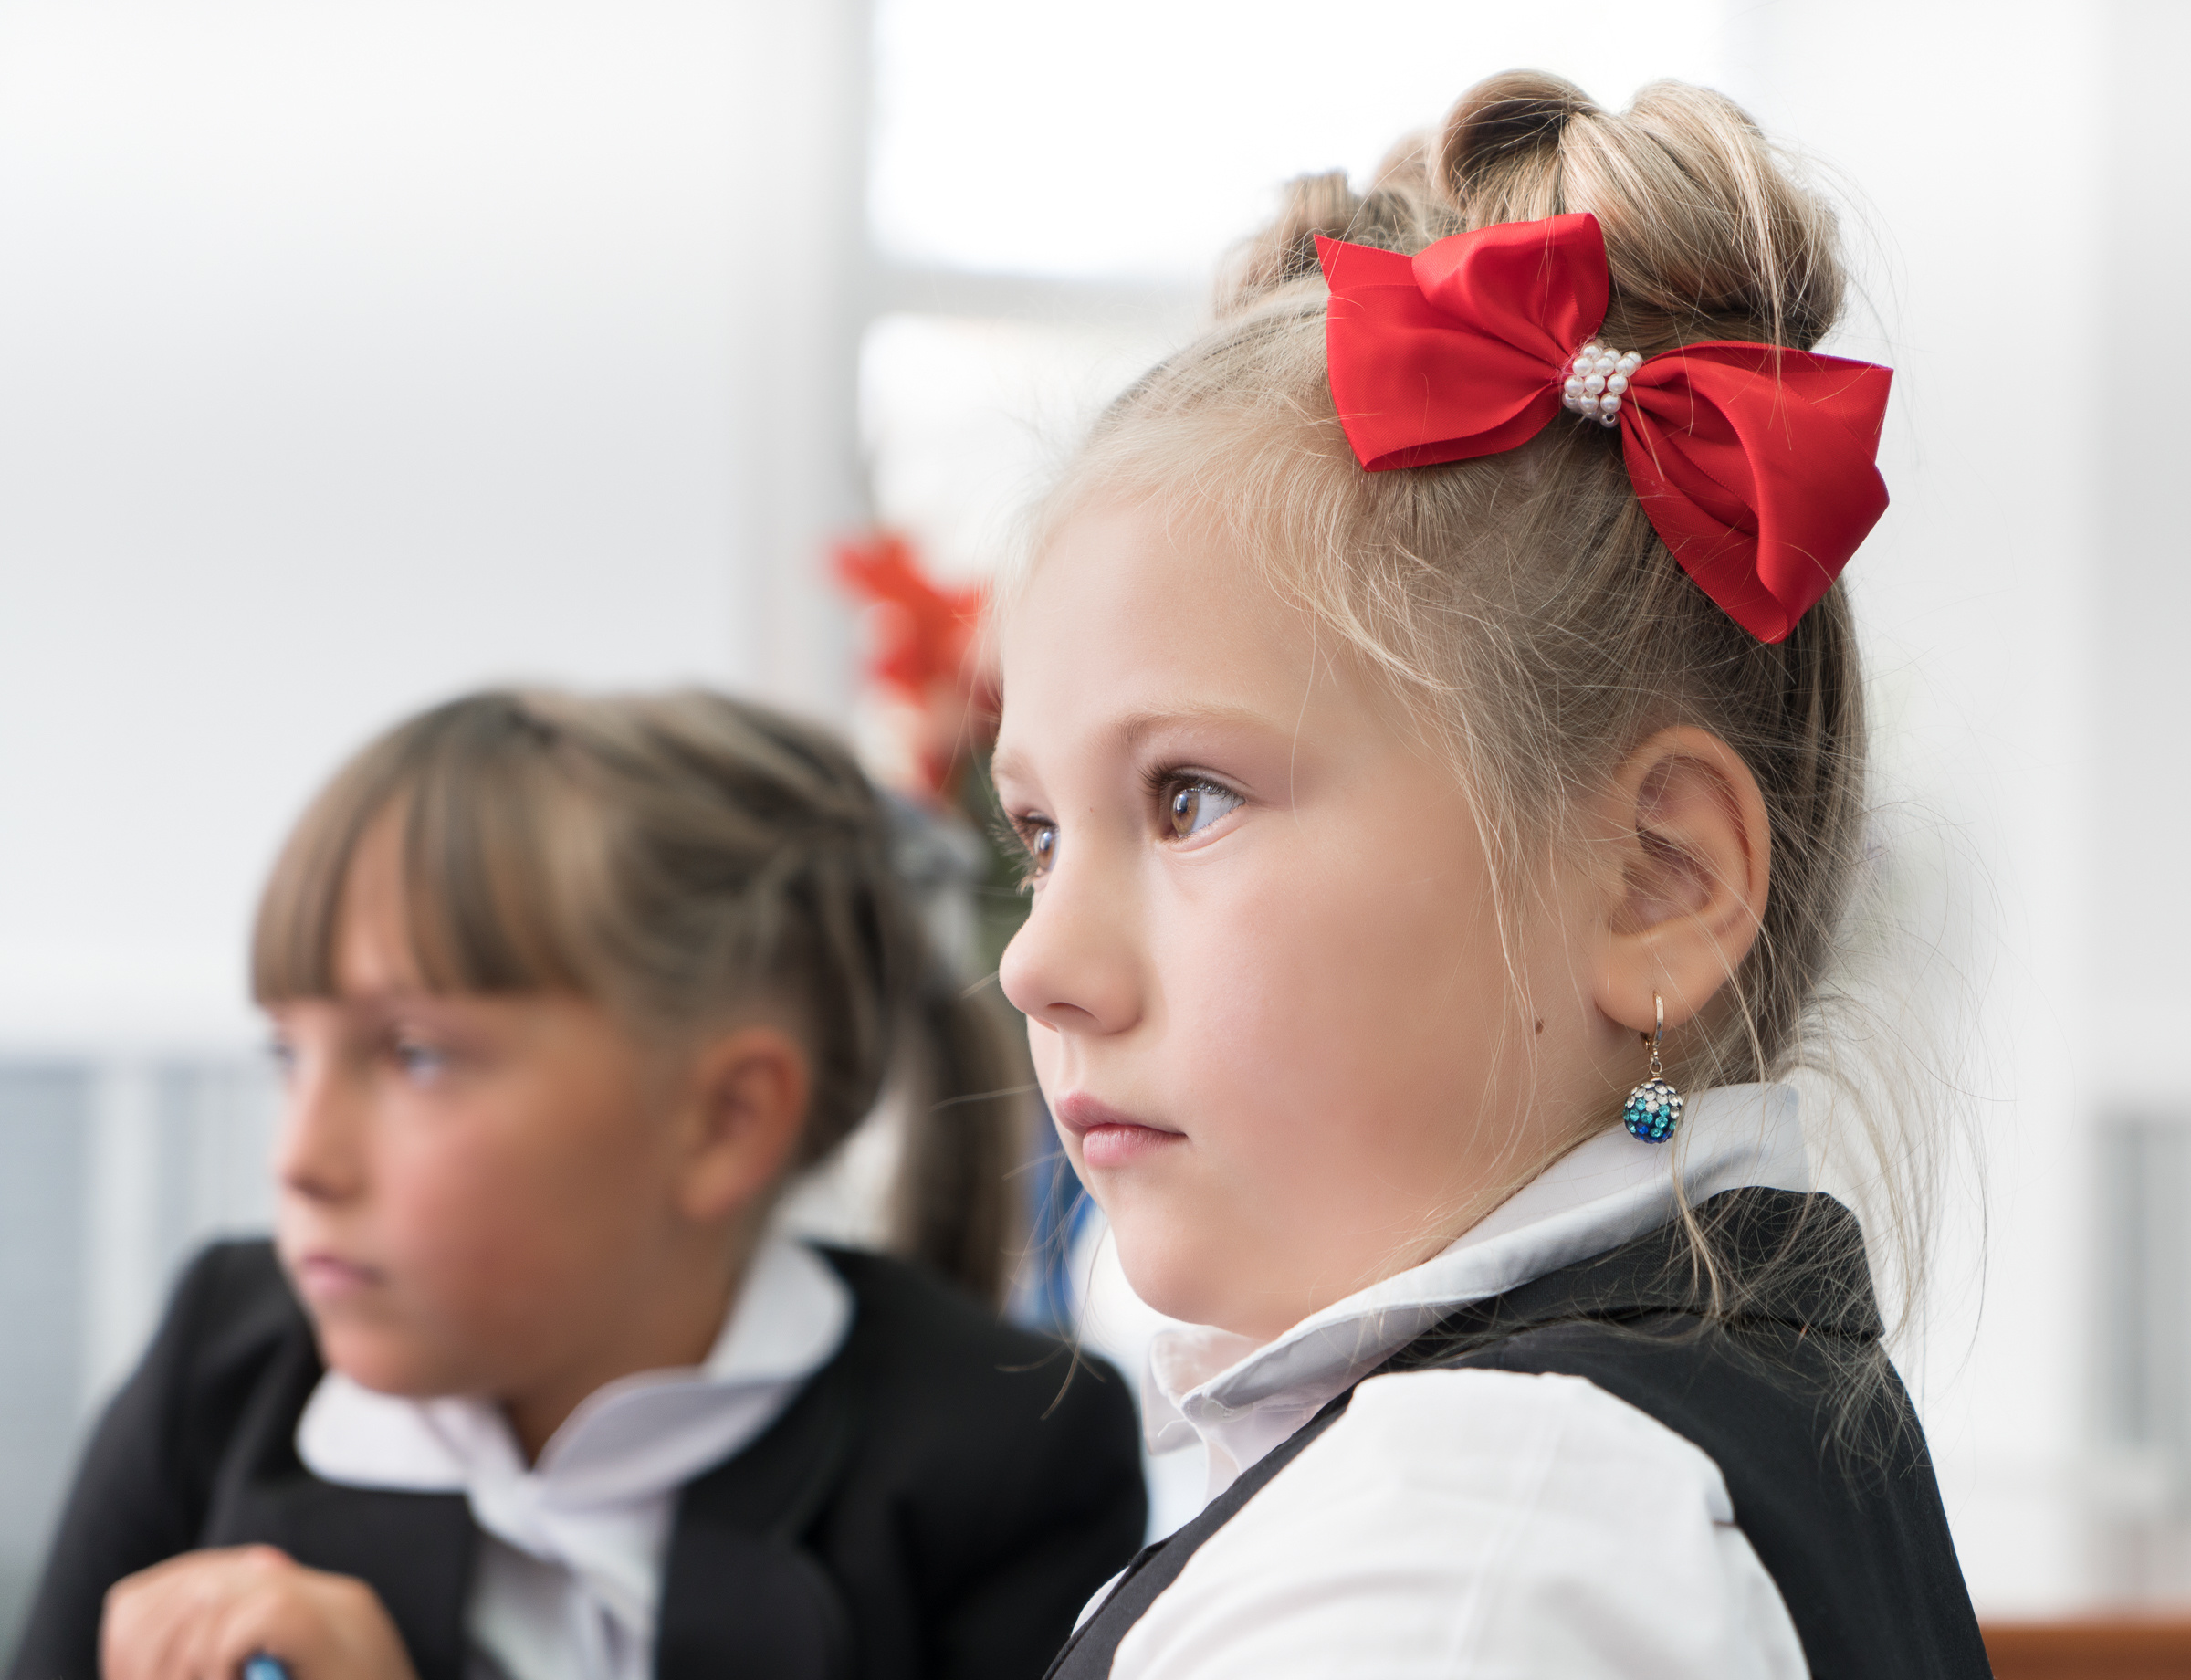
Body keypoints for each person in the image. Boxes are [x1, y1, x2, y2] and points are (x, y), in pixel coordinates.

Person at [993, 72, 1989, 1680]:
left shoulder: (1459, 1566)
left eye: (1188, 797)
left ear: (1653, 882)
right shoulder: (1615, 1462)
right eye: (1037, 835)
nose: (1034, 963)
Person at [13, 688, 1147, 1680]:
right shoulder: (225, 1368)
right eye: (288, 1055)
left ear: (722, 1121)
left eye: (413, 1055)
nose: (299, 1157)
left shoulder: (1011, 1457)